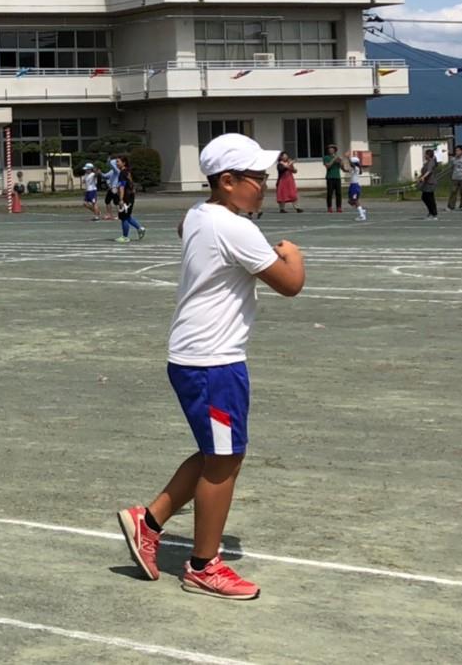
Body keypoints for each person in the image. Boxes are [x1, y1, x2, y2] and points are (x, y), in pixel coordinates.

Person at [117, 133, 304, 600]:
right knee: (224, 460)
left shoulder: (201, 214)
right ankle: (204, 566)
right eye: (256, 178)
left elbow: (186, 227)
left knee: (214, 452)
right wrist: (292, 254)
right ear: (227, 181)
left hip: (198, 357)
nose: (263, 185)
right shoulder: (235, 228)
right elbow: (289, 284)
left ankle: (150, 519)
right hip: (212, 361)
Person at [115, 159, 146, 243]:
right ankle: (140, 228)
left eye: (118, 161)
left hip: (126, 198)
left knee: (123, 217)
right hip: (130, 197)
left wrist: (121, 199)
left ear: (123, 163)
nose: (116, 163)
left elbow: (122, 187)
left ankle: (125, 237)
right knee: (127, 216)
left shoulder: (122, 173)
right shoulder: (128, 172)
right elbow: (131, 184)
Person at [323, 144, 346, 214]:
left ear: (335, 150)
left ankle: (339, 207)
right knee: (329, 193)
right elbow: (328, 166)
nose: (330, 150)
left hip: (337, 177)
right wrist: (334, 159)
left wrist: (341, 161)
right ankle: (329, 207)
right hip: (330, 177)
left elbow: (342, 168)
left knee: (338, 193)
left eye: (332, 149)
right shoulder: (326, 157)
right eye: (329, 149)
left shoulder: (337, 158)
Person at [418, 148, 440, 219]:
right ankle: (431, 212)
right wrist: (420, 177)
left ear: (428, 155)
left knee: (430, 198)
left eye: (425, 154)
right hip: (426, 182)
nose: (424, 156)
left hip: (430, 182)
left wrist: (423, 177)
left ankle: (434, 214)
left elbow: (429, 171)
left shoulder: (431, 162)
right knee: (424, 197)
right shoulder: (427, 162)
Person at [447, 144, 462, 211]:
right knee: (453, 192)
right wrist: (451, 176)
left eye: (458, 150)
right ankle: (451, 206)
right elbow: (451, 168)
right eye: (456, 151)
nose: (457, 152)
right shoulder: (453, 159)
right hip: (455, 178)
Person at [348, 155, 367, 221]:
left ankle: (362, 216)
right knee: (350, 201)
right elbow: (346, 170)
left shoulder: (356, 168)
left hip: (355, 186)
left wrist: (348, 157)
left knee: (355, 201)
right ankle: (361, 210)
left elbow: (352, 164)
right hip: (352, 186)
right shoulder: (354, 169)